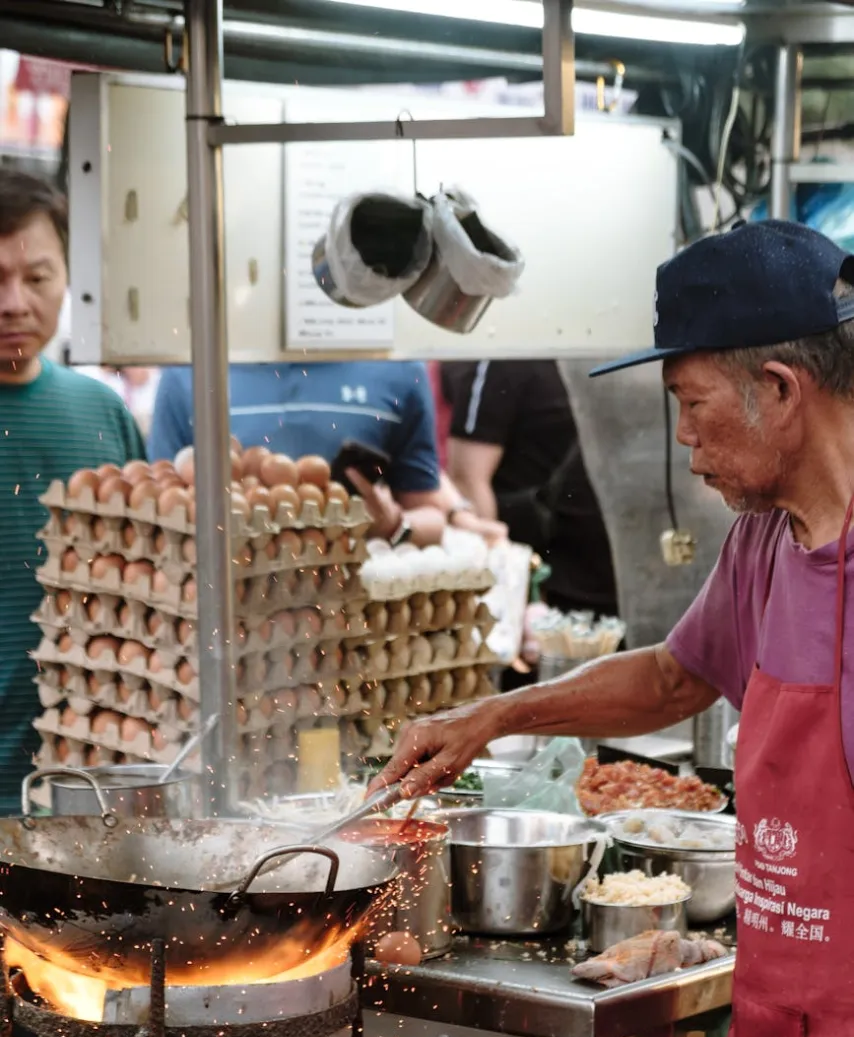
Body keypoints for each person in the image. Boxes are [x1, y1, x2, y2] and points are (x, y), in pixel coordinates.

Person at [373, 219, 854, 1037]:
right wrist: (490, 715)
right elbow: (676, 675)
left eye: (688, 406)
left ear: (777, 388)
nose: (682, 441)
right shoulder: (768, 541)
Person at [0, 171, 145, 814]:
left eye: (36, 277)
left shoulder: (101, 413)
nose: (13, 303)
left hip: (83, 799)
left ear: (68, 277)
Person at [149, 360, 446, 546]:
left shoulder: (396, 369)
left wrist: (394, 525)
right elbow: (159, 513)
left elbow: (433, 515)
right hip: (231, 603)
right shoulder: (190, 370)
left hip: (351, 606)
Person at [443, 359, 618, 616]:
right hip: (543, 587)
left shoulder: (616, 346)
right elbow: (467, 479)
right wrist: (505, 595)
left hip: (620, 580)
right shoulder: (505, 356)